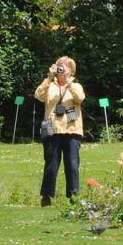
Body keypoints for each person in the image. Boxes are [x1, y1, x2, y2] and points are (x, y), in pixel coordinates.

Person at [35, 56, 86, 207]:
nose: (61, 70)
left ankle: (74, 196)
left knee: (72, 165)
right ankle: (46, 196)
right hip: (52, 130)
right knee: (51, 165)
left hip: (72, 130)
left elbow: (80, 98)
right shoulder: (49, 85)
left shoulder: (76, 86)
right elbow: (38, 95)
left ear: (71, 71)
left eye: (65, 67)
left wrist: (69, 84)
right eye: (59, 67)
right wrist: (48, 78)